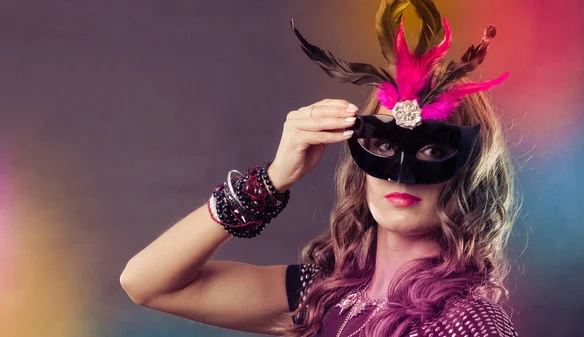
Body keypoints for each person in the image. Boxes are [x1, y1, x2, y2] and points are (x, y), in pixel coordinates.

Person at [120, 1, 521, 336]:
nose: (399, 174)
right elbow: (146, 283)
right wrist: (272, 180)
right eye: (383, 144)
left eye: (433, 151)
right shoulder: (323, 294)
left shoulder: (470, 322)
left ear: (469, 170)